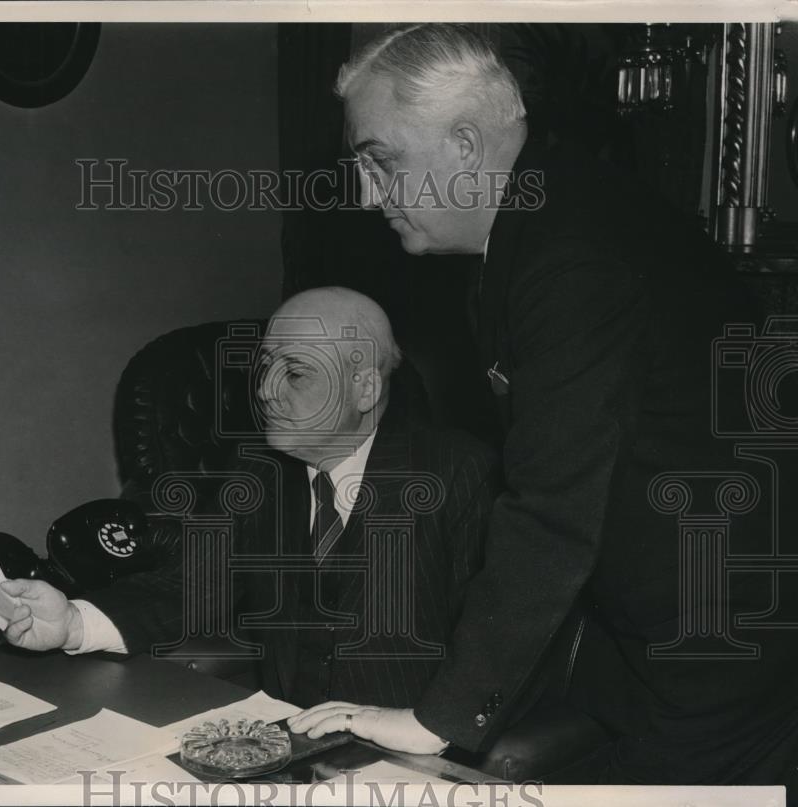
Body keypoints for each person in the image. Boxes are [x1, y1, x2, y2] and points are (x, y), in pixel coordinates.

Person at [319, 22, 798, 785]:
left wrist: (437, 719)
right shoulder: (551, 208)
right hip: (653, 626)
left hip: (724, 638)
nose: (368, 191)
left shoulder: (569, 254)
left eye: (382, 161)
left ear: (465, 145)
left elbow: (551, 508)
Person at [0, 286, 500, 754]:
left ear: (364, 388)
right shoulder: (260, 473)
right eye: (264, 368)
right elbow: (192, 585)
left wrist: (435, 724)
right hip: (292, 745)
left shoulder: (456, 473)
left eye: (295, 373)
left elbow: (500, 631)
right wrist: (73, 623)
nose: (264, 391)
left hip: (416, 750)